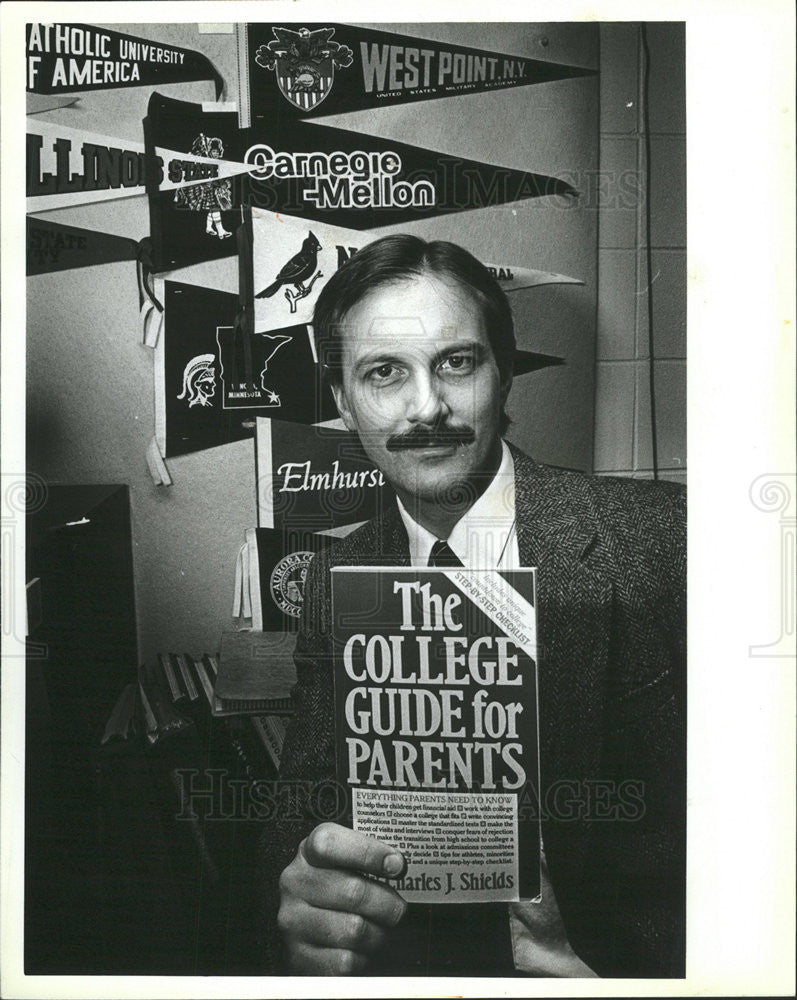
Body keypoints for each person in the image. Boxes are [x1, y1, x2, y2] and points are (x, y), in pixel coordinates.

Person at [255, 235, 686, 978]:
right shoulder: (335, 582)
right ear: (340, 399)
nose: (427, 408)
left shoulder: (664, 538)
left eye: (456, 361)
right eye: (383, 372)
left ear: (503, 373)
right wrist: (300, 887)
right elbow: (303, 807)